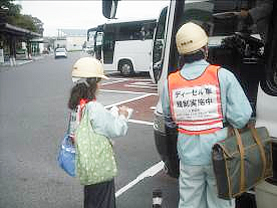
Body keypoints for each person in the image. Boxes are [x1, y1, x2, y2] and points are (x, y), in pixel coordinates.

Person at [161, 22, 253, 208]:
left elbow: (169, 117)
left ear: (181, 54)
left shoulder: (171, 81)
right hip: (219, 152)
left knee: (189, 201)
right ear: (205, 49)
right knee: (220, 201)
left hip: (188, 154)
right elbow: (242, 116)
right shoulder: (222, 75)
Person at [67, 57, 130, 208]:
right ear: (94, 83)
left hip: (87, 166)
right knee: (104, 202)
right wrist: (122, 115)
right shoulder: (94, 107)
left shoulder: (78, 107)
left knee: (91, 201)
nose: (101, 85)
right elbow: (117, 129)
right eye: (100, 82)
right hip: (99, 167)